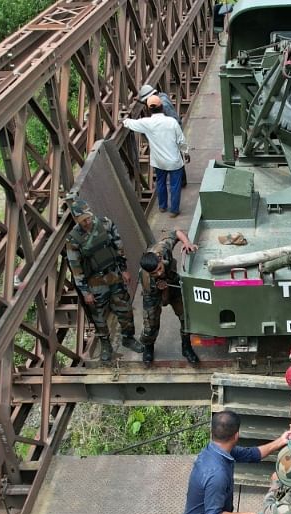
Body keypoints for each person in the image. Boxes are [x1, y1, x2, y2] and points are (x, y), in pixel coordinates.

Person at [64, 197, 144, 362]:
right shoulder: (73, 239)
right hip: (95, 282)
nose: (86, 222)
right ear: (75, 220)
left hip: (114, 275)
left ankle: (128, 337)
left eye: (87, 218)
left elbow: (118, 246)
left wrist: (124, 270)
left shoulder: (105, 224)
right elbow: (76, 267)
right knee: (99, 316)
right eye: (82, 221)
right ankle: (105, 344)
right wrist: (85, 292)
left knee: (124, 308)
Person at [139, 228, 199, 367]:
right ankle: (148, 347)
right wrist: (163, 289)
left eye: (160, 268)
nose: (159, 273)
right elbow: (164, 302)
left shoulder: (162, 248)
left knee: (186, 317)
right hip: (155, 293)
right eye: (155, 273)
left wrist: (187, 242)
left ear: (160, 259)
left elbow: (176, 232)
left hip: (173, 283)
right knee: (150, 324)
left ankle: (186, 347)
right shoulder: (147, 280)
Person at [123, 95, 189, 217]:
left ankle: (162, 206)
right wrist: (186, 152)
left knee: (161, 183)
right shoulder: (172, 122)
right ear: (162, 107)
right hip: (174, 161)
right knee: (175, 186)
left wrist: (123, 119)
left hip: (159, 162)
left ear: (149, 109)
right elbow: (181, 141)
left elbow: (130, 123)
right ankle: (174, 210)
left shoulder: (147, 123)